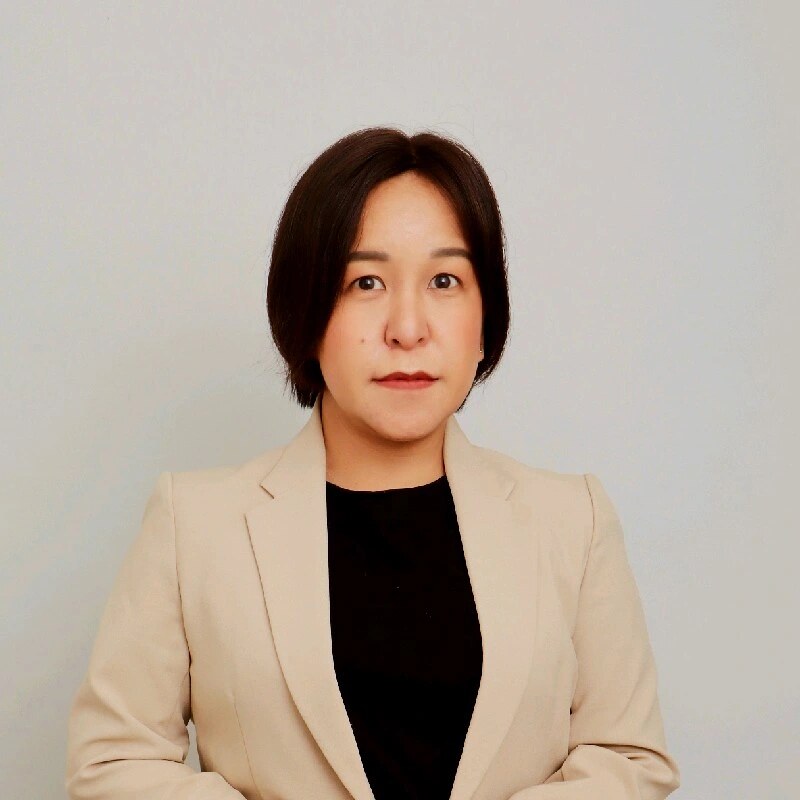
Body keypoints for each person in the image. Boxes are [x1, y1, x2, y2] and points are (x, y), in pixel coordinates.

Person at [65, 127, 681, 800]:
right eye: (365, 282)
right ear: (306, 313)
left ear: (485, 320)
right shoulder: (194, 525)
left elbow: (629, 758)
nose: (407, 328)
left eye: (445, 280)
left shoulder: (573, 522)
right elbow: (114, 762)